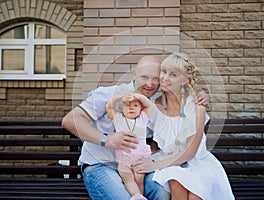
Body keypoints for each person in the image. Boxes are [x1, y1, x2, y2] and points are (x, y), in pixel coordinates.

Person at [61, 55, 210, 200]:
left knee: (162, 192)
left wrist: (200, 96)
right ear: (134, 73)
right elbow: (69, 120)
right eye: (144, 77)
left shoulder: (154, 104)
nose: (150, 84)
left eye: (155, 79)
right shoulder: (108, 94)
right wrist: (106, 139)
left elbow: (173, 124)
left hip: (137, 168)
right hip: (101, 165)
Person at [132, 53, 235, 200]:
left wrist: (154, 165)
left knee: (195, 195)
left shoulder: (196, 106)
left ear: (185, 81)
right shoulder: (154, 106)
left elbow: (190, 153)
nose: (165, 78)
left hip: (198, 164)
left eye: (173, 74)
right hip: (171, 163)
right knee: (175, 180)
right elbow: (151, 137)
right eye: (164, 71)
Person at [106, 95, 152, 200]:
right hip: (124, 156)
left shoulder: (142, 119)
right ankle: (136, 196)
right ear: (121, 108)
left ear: (141, 109)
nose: (131, 108)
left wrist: (139, 96)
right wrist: (119, 97)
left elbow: (149, 105)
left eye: (135, 105)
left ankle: (140, 197)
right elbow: (109, 107)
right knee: (128, 177)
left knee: (139, 177)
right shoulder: (118, 119)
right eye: (127, 105)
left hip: (140, 156)